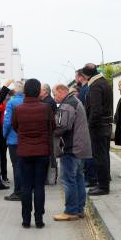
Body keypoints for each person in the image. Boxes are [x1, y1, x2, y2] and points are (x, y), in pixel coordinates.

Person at [12, 78, 55, 228]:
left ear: (25, 91)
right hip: (42, 151)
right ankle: (38, 219)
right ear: (38, 91)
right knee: (39, 186)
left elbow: (15, 126)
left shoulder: (18, 109)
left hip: (24, 151)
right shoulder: (46, 108)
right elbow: (52, 127)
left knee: (26, 186)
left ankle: (25, 219)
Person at [51, 84, 92, 221]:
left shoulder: (68, 104)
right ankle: (79, 209)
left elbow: (62, 126)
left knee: (68, 180)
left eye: (55, 94)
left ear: (62, 91)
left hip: (71, 147)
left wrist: (51, 128)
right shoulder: (75, 101)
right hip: (80, 147)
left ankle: (71, 211)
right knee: (78, 178)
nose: (54, 97)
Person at [83, 64, 113, 196]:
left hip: (98, 127)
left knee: (100, 157)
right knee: (104, 156)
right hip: (105, 125)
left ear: (85, 75)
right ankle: (103, 184)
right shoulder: (104, 82)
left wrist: (89, 125)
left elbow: (96, 109)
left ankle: (103, 186)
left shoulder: (95, 86)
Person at [2, 82, 25, 201]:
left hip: (13, 139)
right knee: (25, 166)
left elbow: (7, 121)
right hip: (26, 139)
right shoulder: (27, 101)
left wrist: (4, 135)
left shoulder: (11, 103)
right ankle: (25, 190)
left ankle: (18, 192)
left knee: (16, 166)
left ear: (15, 91)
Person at [75, 70, 97, 188]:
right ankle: (91, 177)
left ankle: (91, 178)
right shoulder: (86, 89)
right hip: (86, 124)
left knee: (88, 154)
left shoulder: (84, 90)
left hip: (85, 125)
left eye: (76, 76)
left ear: (80, 77)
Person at [40, 83, 59, 185]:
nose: (39, 92)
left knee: (51, 156)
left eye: (40, 90)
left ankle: (51, 178)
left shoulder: (48, 102)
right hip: (49, 132)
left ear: (45, 91)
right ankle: (50, 178)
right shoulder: (46, 101)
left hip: (49, 133)